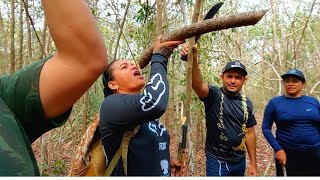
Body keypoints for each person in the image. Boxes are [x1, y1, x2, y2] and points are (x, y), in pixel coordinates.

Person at [0, 0, 107, 176]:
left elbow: (83, 60)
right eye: (124, 67)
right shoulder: (116, 107)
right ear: (112, 84)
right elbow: (152, 105)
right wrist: (158, 61)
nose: (133, 69)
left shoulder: (6, 97)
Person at [99, 36, 183, 176]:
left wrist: (165, 160)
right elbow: (155, 103)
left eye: (132, 64)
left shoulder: (145, 114)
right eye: (124, 67)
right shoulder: (110, 106)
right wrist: (159, 58)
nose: (132, 66)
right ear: (113, 84)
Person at [179, 43, 258, 176]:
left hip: (239, 161)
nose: (233, 81)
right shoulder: (214, 95)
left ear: (244, 80)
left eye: (238, 77)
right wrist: (193, 60)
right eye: (229, 76)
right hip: (217, 161)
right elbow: (197, 85)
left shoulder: (247, 103)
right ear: (222, 77)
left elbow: (249, 133)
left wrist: (253, 164)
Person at [262, 68, 320, 176]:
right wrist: (278, 149)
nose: (290, 84)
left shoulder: (313, 102)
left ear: (303, 84)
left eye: (295, 81)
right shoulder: (275, 103)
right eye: (287, 81)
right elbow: (266, 128)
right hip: (287, 155)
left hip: (315, 155)